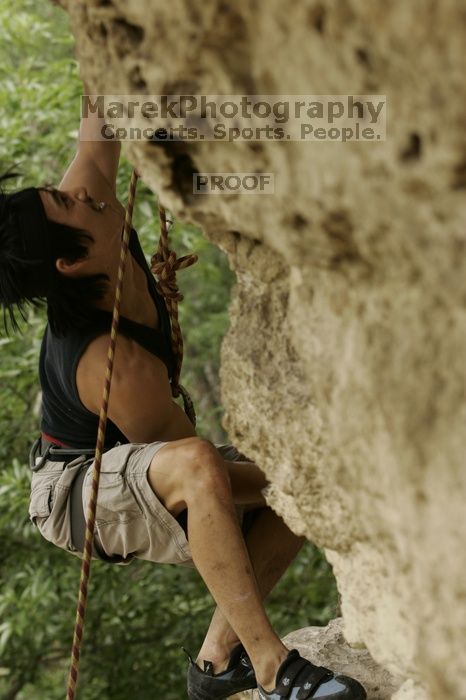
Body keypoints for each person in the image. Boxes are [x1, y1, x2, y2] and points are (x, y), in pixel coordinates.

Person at [0, 100, 367, 700]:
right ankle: (274, 668)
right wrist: (300, 485)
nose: (92, 196)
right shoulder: (115, 365)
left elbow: (100, 120)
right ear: (69, 263)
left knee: (300, 483)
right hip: (73, 493)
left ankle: (219, 661)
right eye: (73, 204)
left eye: (64, 191)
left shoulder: (85, 215)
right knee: (241, 474)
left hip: (136, 455)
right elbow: (198, 475)